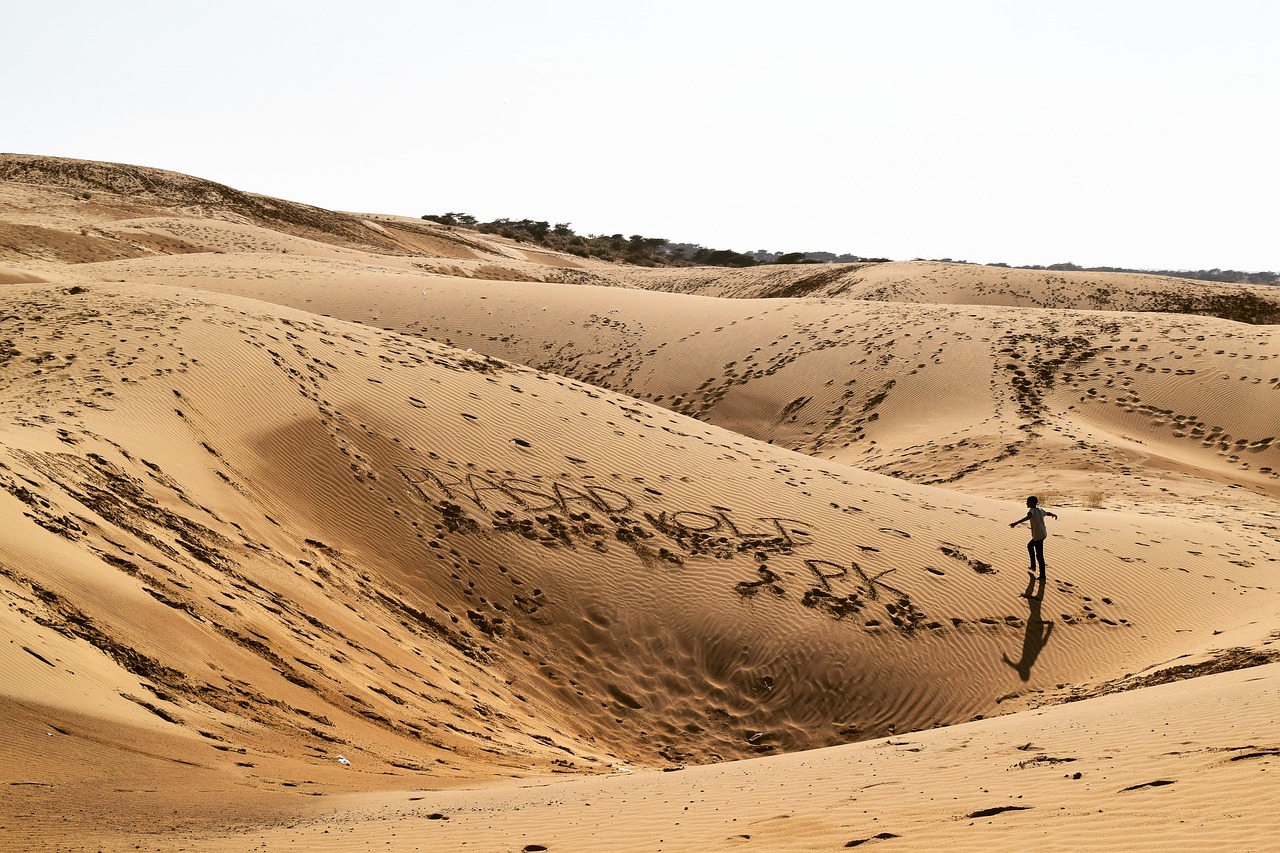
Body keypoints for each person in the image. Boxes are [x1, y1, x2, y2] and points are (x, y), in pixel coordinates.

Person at [1010, 496, 1057, 579]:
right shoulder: (1039, 509)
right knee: (1030, 546)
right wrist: (1052, 514)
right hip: (1042, 533)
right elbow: (1047, 513)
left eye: (1028, 502)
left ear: (1032, 503)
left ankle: (1042, 575)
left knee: (1039, 556)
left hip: (1038, 535)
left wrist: (1016, 523)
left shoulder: (1032, 511)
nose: (1026, 503)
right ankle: (1033, 566)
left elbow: (1028, 517)